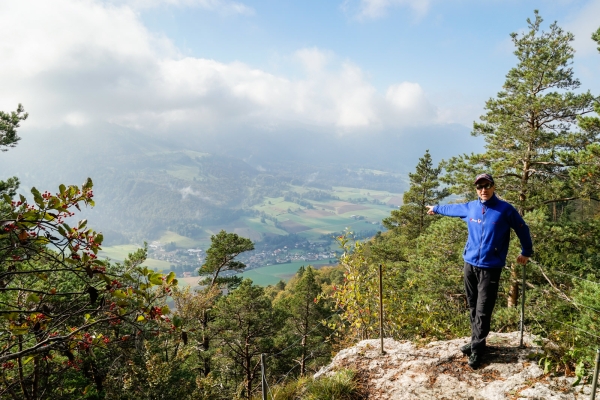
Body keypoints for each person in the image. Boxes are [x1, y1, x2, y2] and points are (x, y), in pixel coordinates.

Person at [426, 173, 533, 369]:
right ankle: (478, 341)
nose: (483, 189)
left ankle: (477, 349)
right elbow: (452, 209)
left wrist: (526, 251)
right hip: (470, 264)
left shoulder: (505, 210)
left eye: (487, 185)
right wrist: (436, 209)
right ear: (476, 189)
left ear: (494, 186)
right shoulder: (471, 207)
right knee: (474, 306)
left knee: (483, 309)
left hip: (490, 267)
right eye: (479, 186)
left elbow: (522, 228)